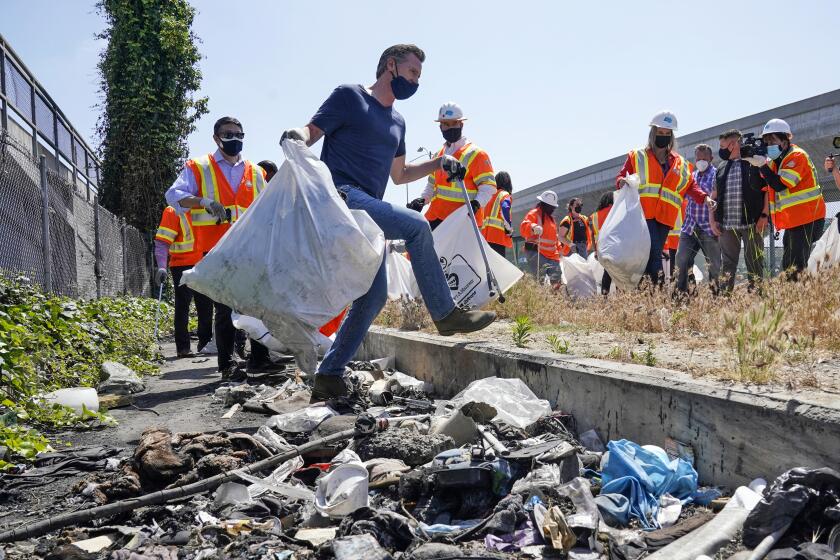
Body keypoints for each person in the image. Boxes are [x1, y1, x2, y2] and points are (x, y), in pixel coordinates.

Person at [281, 44, 496, 402]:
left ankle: (329, 375)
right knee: (416, 225)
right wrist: (295, 136)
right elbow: (311, 131)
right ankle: (445, 314)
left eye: (419, 77)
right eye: (412, 74)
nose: (415, 82)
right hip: (340, 198)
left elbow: (399, 175)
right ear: (391, 66)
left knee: (374, 296)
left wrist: (438, 164)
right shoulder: (350, 96)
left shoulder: (398, 122)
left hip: (368, 210)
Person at [165, 116, 268, 379]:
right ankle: (226, 364)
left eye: (238, 134)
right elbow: (173, 195)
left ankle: (259, 359)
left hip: (248, 250)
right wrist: (202, 201)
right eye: (228, 134)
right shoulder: (199, 167)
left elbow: (268, 208)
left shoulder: (255, 172)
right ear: (216, 138)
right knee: (224, 308)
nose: (234, 139)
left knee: (256, 304)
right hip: (215, 249)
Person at [616, 110, 716, 287]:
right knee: (653, 253)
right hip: (643, 215)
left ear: (671, 136)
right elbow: (621, 177)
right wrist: (622, 181)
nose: (663, 136)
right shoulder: (637, 156)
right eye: (660, 132)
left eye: (667, 133)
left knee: (652, 254)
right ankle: (655, 290)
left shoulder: (679, 162)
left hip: (664, 217)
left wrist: (705, 198)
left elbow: (690, 184)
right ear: (653, 133)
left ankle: (647, 291)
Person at [749, 119, 826, 279]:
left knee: (796, 265)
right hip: (794, 220)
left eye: (772, 140)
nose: (768, 144)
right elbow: (757, 186)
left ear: (784, 141)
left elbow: (780, 185)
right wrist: (753, 164)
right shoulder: (776, 162)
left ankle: (800, 298)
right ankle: (794, 297)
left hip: (807, 218)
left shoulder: (796, 156)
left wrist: (762, 165)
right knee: (788, 263)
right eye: (766, 141)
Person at [407, 103, 496, 230]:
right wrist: (422, 200)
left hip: (464, 221)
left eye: (454, 123)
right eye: (446, 124)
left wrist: (476, 204)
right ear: (440, 127)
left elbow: (488, 187)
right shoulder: (438, 155)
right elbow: (431, 185)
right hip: (436, 219)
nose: (450, 128)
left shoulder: (477, 154)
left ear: (461, 124)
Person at [709, 130, 767, 292]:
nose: (720, 149)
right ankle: (725, 301)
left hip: (752, 224)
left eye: (722, 146)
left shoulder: (754, 162)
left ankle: (757, 301)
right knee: (727, 265)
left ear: (733, 144)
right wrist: (712, 220)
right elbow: (713, 196)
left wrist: (764, 215)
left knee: (754, 263)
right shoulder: (720, 168)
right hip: (727, 227)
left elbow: (768, 190)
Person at [154, 206, 214, 358]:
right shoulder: (173, 211)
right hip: (183, 265)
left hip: (203, 263)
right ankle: (184, 348)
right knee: (184, 306)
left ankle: (204, 344)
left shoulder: (203, 206)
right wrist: (161, 266)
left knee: (205, 305)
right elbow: (162, 241)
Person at [675, 144, 721, 294]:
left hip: (709, 228)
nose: (701, 161)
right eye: (698, 159)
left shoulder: (717, 175)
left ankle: (716, 296)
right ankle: (684, 293)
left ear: (711, 158)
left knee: (713, 265)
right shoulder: (691, 177)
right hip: (689, 226)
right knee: (681, 260)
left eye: (704, 158)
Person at [520, 190, 562, 285]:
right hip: (537, 253)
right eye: (550, 206)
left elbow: (554, 238)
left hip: (552, 255)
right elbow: (523, 227)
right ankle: (538, 299)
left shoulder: (551, 219)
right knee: (538, 282)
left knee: (557, 281)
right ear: (543, 204)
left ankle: (556, 299)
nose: (552, 209)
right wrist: (533, 227)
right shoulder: (534, 213)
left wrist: (560, 249)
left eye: (553, 207)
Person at [481, 171, 513, 257]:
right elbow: (505, 208)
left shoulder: (490, 195)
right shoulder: (504, 194)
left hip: (484, 238)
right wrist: (508, 228)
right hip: (497, 238)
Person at [590, 191, 613, 295]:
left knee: (607, 272)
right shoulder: (615, 211)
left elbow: (592, 235)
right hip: (615, 246)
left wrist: (595, 251)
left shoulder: (593, 216)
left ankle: (604, 296)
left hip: (601, 249)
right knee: (619, 273)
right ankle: (622, 296)